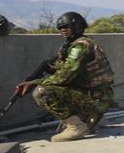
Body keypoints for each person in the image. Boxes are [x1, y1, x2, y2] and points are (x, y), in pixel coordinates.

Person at [14, 11, 115, 142]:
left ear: (78, 26)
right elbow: (60, 69)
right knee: (54, 87)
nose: (63, 30)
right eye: (61, 28)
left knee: (42, 92)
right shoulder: (71, 45)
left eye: (66, 27)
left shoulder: (81, 46)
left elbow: (65, 77)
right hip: (95, 94)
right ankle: (91, 117)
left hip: (97, 97)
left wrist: (33, 82)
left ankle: (76, 126)